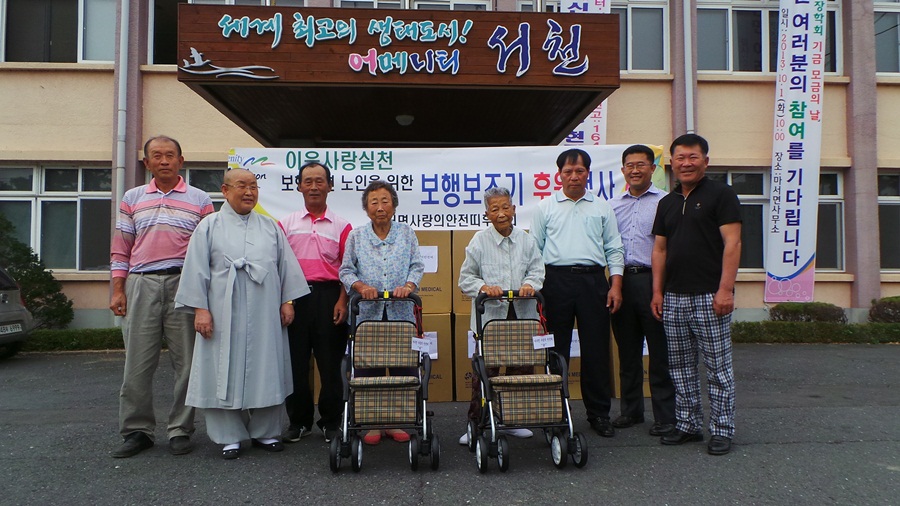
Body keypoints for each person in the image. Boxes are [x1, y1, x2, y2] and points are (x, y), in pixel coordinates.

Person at [174, 169, 309, 460]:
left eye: (254, 186)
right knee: (221, 367)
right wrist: (201, 310)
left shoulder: (270, 227)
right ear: (225, 190)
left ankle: (266, 431)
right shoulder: (208, 226)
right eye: (242, 186)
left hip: (264, 309)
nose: (249, 192)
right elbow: (196, 269)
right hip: (222, 311)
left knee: (266, 366)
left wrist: (288, 301)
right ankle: (229, 435)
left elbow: (285, 266)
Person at [109, 135, 214, 458]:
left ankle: (181, 429)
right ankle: (137, 431)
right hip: (142, 284)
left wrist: (205, 300)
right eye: (157, 156)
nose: (164, 161)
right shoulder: (132, 198)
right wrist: (117, 288)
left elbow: (211, 252)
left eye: (170, 155)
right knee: (138, 364)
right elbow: (120, 248)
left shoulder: (200, 200)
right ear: (147, 163)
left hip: (186, 284)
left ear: (181, 161)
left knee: (187, 364)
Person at [651, 133, 742, 456]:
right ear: (671, 163)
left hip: (710, 295)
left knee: (718, 367)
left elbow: (733, 243)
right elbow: (659, 250)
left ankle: (721, 429)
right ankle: (688, 424)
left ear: (706, 160)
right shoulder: (667, 203)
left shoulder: (721, 194)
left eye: (693, 157)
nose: (686, 163)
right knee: (679, 365)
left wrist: (725, 289)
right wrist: (657, 292)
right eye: (680, 158)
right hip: (674, 297)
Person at [530, 148, 625, 438]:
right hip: (554, 282)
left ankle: (599, 414)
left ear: (588, 173)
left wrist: (616, 284)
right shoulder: (545, 207)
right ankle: (554, 413)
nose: (574, 176)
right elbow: (534, 249)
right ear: (558, 175)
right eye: (568, 172)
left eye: (580, 171)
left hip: (594, 282)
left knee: (596, 350)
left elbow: (614, 247)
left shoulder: (601, 207)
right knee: (555, 351)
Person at [457, 187, 545, 445]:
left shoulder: (527, 240)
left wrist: (530, 284)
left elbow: (537, 270)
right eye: (495, 209)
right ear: (487, 214)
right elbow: (466, 278)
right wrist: (484, 288)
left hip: (523, 315)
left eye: (505, 207)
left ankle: (513, 421)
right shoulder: (479, 240)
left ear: (514, 210)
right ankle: (476, 424)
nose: (501, 213)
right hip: (490, 319)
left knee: (520, 371)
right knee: (485, 372)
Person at [339, 180, 425, 446]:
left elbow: (417, 265)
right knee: (368, 370)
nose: (380, 207)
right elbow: (345, 270)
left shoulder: (406, 233)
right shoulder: (357, 236)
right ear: (366, 209)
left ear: (394, 205)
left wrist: (409, 286)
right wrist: (361, 286)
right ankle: (372, 422)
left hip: (401, 313)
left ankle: (397, 421)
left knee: (403, 370)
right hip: (367, 314)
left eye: (385, 201)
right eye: (373, 202)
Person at [279, 162, 352, 444]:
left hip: (329, 296)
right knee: (296, 363)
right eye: (307, 181)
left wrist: (343, 300)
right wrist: (285, 300)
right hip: (295, 298)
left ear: (330, 186)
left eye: (319, 181)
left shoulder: (342, 226)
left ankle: (331, 421)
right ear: (298, 186)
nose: (313, 186)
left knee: (330, 363)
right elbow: (280, 266)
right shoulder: (285, 224)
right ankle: (299, 422)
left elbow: (347, 268)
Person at [609, 144, 676, 437]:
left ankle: (665, 416)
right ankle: (631, 412)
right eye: (629, 165)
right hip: (621, 282)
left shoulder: (667, 202)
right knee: (628, 351)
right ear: (623, 170)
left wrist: (662, 288)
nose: (635, 170)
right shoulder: (612, 206)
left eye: (641, 165)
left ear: (653, 168)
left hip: (654, 282)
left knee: (660, 352)